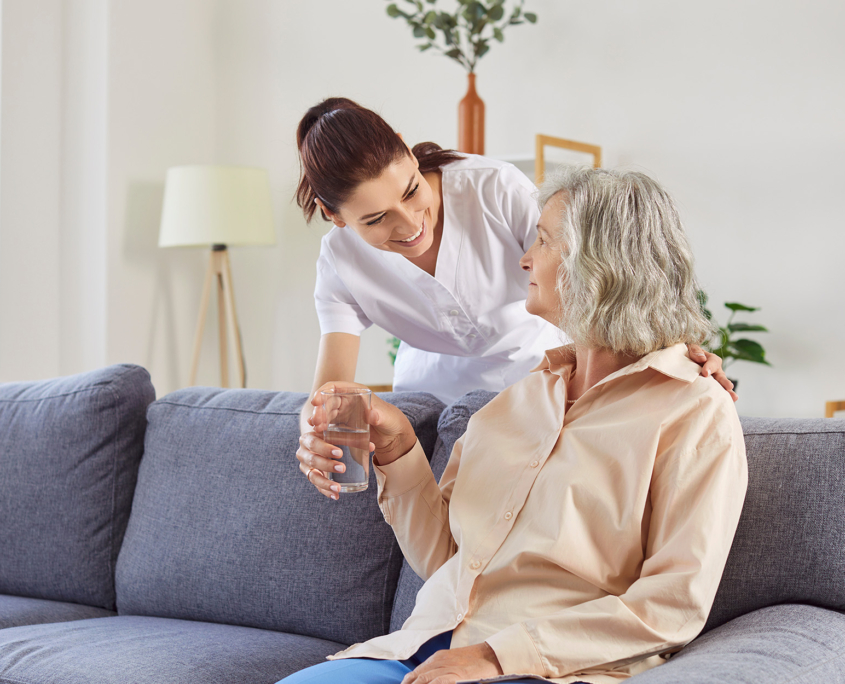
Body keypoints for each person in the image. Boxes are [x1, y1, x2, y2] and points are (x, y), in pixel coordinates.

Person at [286, 166, 748, 684]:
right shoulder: (517, 400)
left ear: (599, 266)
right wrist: (396, 448)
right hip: (417, 649)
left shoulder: (693, 411)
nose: (524, 258)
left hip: (540, 669)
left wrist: (493, 657)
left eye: (544, 241)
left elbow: (671, 606)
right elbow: (448, 559)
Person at [295, 98, 734, 497]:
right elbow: (330, 391)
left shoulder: (493, 189)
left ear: (407, 151)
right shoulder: (340, 262)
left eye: (411, 191)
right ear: (333, 215)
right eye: (376, 219)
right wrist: (312, 434)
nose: (410, 224)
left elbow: (590, 275)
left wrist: (675, 355)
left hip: (535, 373)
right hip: (433, 396)